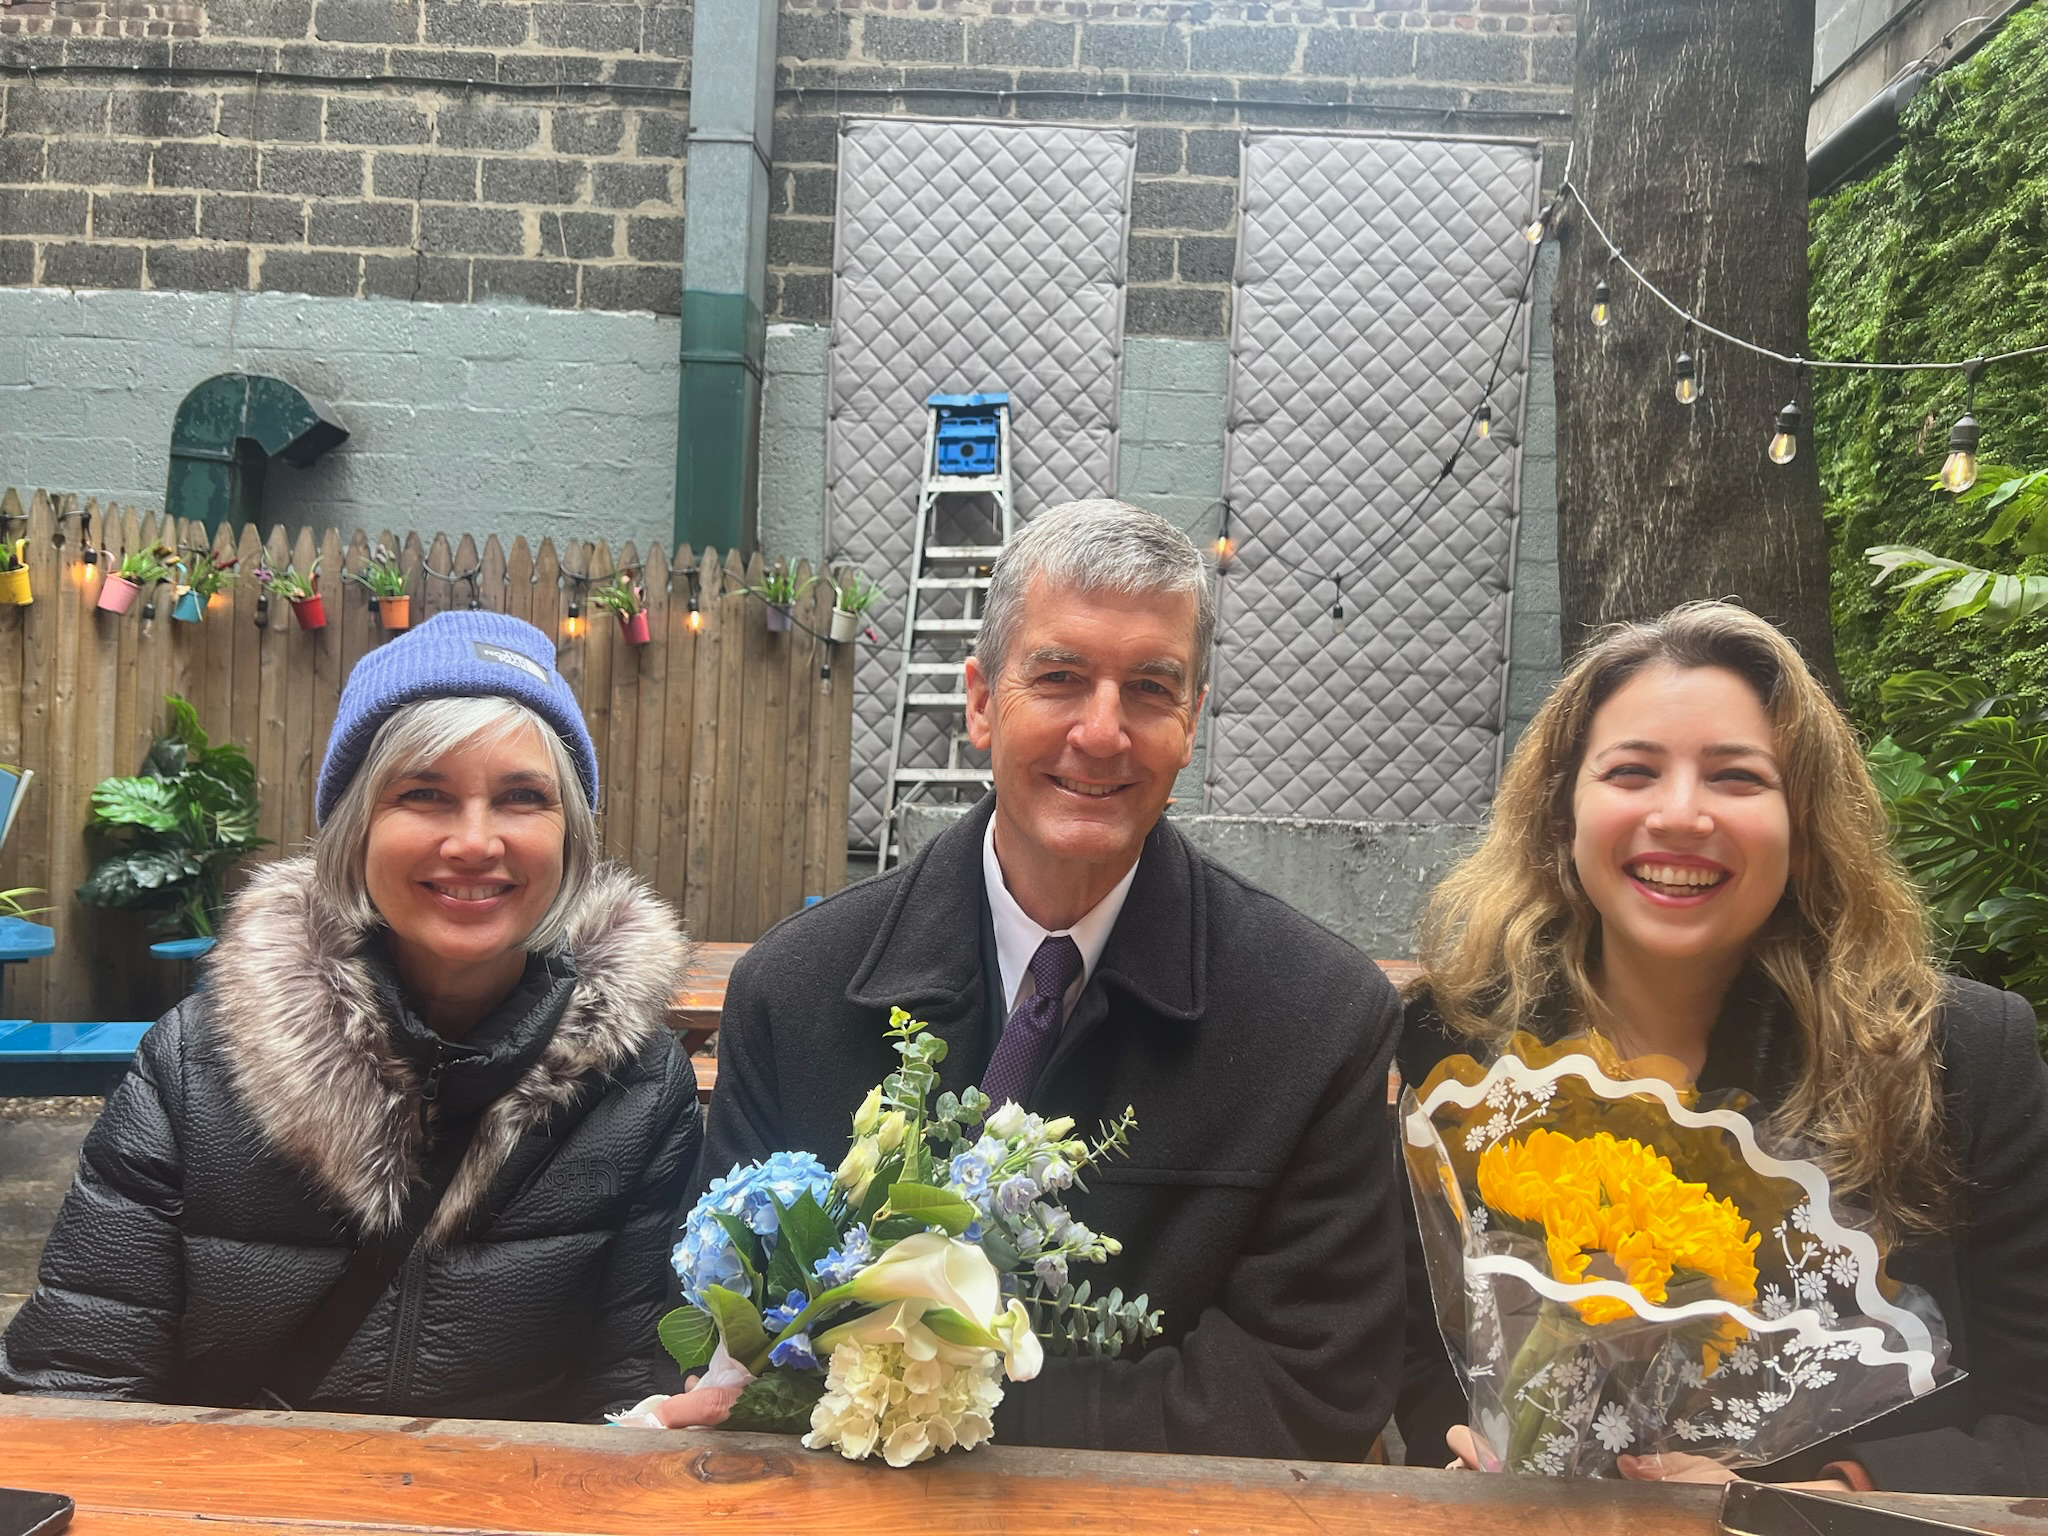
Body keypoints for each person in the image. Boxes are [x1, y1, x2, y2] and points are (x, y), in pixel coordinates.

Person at [693, 498, 1406, 1461]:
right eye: (1060, 678)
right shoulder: (797, 993)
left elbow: (1309, 1387)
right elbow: (727, 1333)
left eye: (1150, 689)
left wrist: (949, 1419)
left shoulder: (1316, 1021)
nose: (1103, 732)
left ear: (1192, 721)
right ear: (982, 703)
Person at [1396, 601, 2048, 1495]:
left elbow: (2034, 1415)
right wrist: (1473, 1442)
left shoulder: (1957, 1057)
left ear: (1807, 827)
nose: (1681, 815)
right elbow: (1411, 1348)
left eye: (1738, 778)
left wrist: (1829, 1496)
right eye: (1632, 771)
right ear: (1560, 815)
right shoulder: (1456, 1037)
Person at [0, 612, 701, 1419]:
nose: (475, 842)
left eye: (522, 797)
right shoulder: (195, 1064)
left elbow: (622, 1406)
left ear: (571, 834)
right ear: (354, 828)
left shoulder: (640, 1086)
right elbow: (75, 1386)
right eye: (424, 794)